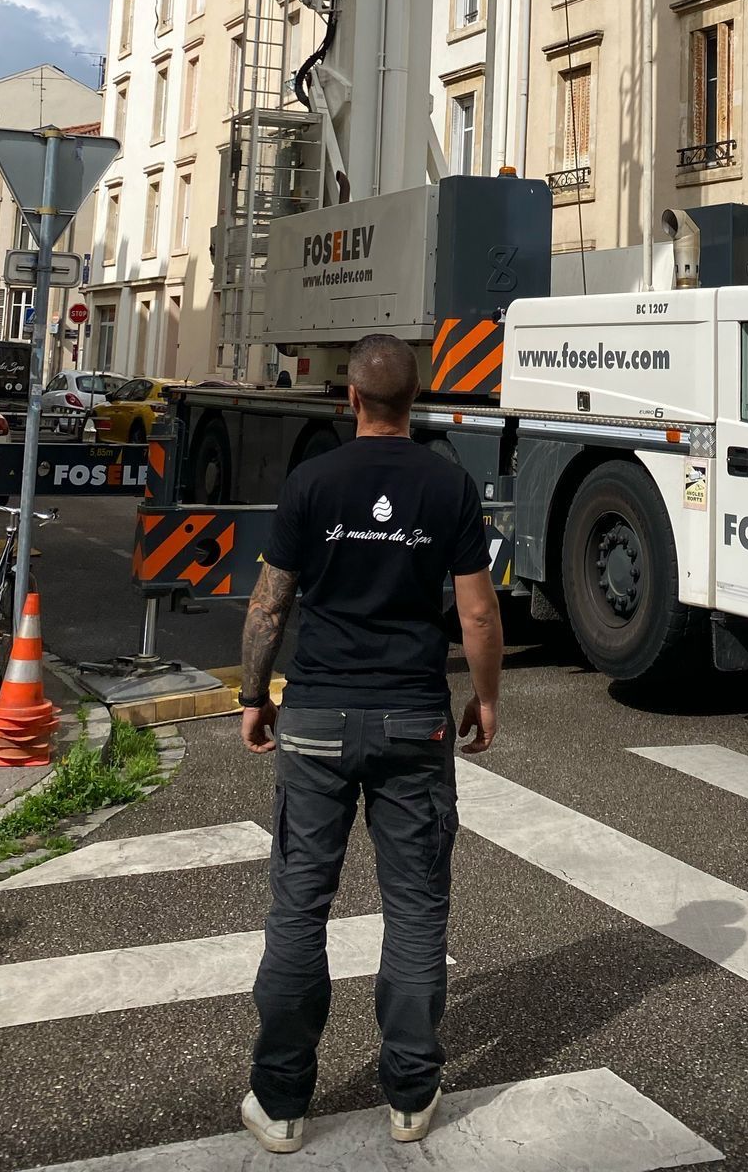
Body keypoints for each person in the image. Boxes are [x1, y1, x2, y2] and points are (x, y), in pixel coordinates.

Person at [237, 331, 504, 1153]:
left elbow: (270, 606)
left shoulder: (312, 481)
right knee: (417, 910)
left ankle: (281, 1104)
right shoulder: (449, 485)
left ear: (350, 399)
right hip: (412, 719)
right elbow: (479, 612)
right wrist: (486, 696)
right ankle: (411, 1097)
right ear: (414, 401)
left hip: (315, 719)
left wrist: (254, 695)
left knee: (299, 908)